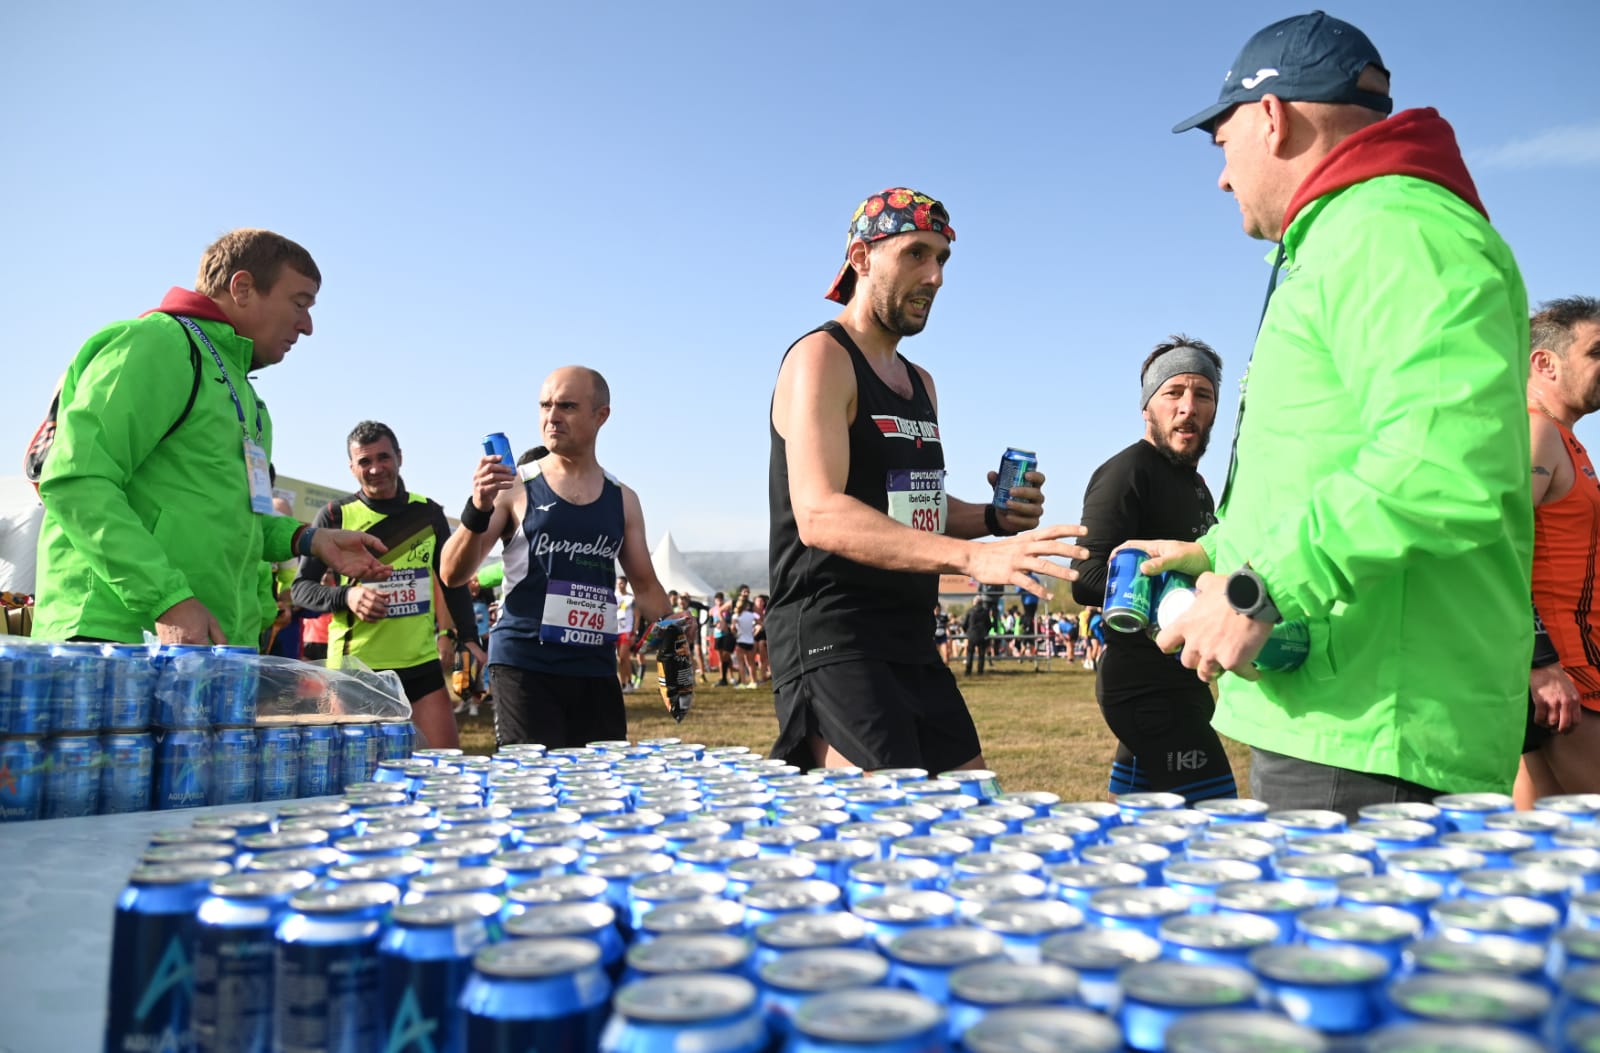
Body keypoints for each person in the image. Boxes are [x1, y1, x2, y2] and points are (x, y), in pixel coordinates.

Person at [1141, 12, 1531, 814]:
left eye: (1221, 144)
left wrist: (1259, 586)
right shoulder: (1351, 235)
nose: (1221, 177)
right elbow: (1329, 456)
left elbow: (1445, 461)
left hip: (1376, 732)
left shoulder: (1394, 228)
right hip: (1340, 711)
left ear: (1272, 117)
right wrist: (1216, 550)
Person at [769, 185, 1086, 773]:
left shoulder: (921, 383)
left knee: (972, 817)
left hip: (911, 640)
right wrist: (972, 559)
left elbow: (914, 509)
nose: (935, 275)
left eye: (942, 259)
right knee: (885, 839)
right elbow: (819, 513)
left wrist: (993, 519)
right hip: (834, 640)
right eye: (916, 253)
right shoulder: (822, 357)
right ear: (861, 260)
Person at [32, 229, 388, 646]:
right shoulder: (157, 343)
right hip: (115, 642)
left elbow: (235, 521)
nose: (307, 326)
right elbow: (76, 481)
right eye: (300, 303)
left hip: (206, 647)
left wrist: (308, 539)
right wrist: (168, 599)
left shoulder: (248, 399)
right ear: (242, 288)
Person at [440, 366, 669, 748]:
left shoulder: (623, 498)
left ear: (601, 416)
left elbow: (645, 586)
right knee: (531, 794)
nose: (551, 416)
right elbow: (452, 573)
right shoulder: (514, 485)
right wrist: (477, 508)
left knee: (599, 790)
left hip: (594, 667)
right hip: (524, 664)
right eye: (545, 405)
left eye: (566, 406)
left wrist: (674, 624)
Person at [1072, 337, 1237, 803]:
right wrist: (1177, 596)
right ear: (1148, 407)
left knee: (1140, 827)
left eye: (1203, 395)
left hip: (1184, 679)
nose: (1188, 407)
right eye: (1174, 392)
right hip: (1145, 683)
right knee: (1216, 818)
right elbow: (1085, 579)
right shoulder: (1127, 472)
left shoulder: (1199, 487)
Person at [292, 421, 484, 751]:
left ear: (399, 457)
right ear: (352, 468)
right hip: (357, 671)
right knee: (361, 777)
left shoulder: (428, 513)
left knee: (444, 766)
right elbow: (301, 589)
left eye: (384, 457)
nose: (376, 468)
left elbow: (453, 581)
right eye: (364, 461)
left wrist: (469, 638)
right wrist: (347, 595)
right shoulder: (335, 516)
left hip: (420, 666)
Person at [1519, 296, 1600, 805]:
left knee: (1539, 851)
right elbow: (1498, 548)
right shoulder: (1537, 432)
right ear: (1545, 363)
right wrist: (1538, 660)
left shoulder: (1564, 438)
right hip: (1565, 678)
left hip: (1564, 676)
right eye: (1597, 352)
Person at [616, 575, 637, 692]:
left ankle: (629, 682)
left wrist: (634, 632)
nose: (619, 586)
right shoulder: (614, 597)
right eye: (618, 583)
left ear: (626, 584)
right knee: (620, 659)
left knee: (624, 657)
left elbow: (637, 617)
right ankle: (623, 682)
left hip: (627, 631)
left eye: (621, 583)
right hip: (616, 631)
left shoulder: (631, 598)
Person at [963, 599, 993, 677]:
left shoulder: (970, 611)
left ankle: (968, 671)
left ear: (974, 603)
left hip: (972, 635)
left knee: (970, 653)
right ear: (982, 603)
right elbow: (989, 624)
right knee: (981, 654)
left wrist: (967, 632)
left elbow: (964, 624)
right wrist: (985, 631)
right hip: (982, 635)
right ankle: (980, 671)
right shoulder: (985, 612)